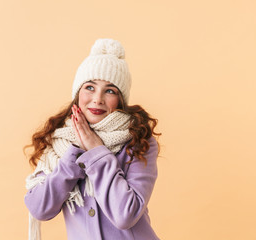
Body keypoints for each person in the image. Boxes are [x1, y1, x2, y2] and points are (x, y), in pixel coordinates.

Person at [24, 38, 161, 240]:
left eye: (110, 90)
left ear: (120, 100)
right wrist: (76, 151)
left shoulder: (139, 141)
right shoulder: (58, 142)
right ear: (78, 93)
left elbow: (126, 214)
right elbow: (39, 208)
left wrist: (97, 151)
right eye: (90, 87)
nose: (98, 98)